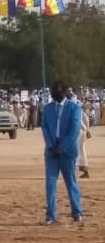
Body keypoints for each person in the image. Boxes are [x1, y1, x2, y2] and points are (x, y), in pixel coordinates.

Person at [41, 81, 84, 226]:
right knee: (50, 184)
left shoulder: (75, 108)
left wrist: (62, 147)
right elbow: (45, 128)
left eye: (57, 91)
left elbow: (74, 130)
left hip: (68, 151)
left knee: (71, 182)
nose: (54, 93)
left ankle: (77, 213)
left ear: (64, 92)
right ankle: (51, 216)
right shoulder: (47, 108)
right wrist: (51, 145)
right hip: (51, 151)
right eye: (53, 91)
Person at [78, 105, 91, 179]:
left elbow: (80, 122)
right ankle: (84, 170)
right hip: (82, 132)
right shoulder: (82, 112)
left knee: (77, 151)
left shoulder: (78, 111)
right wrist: (87, 130)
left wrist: (86, 130)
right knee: (81, 151)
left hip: (78, 132)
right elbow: (86, 121)